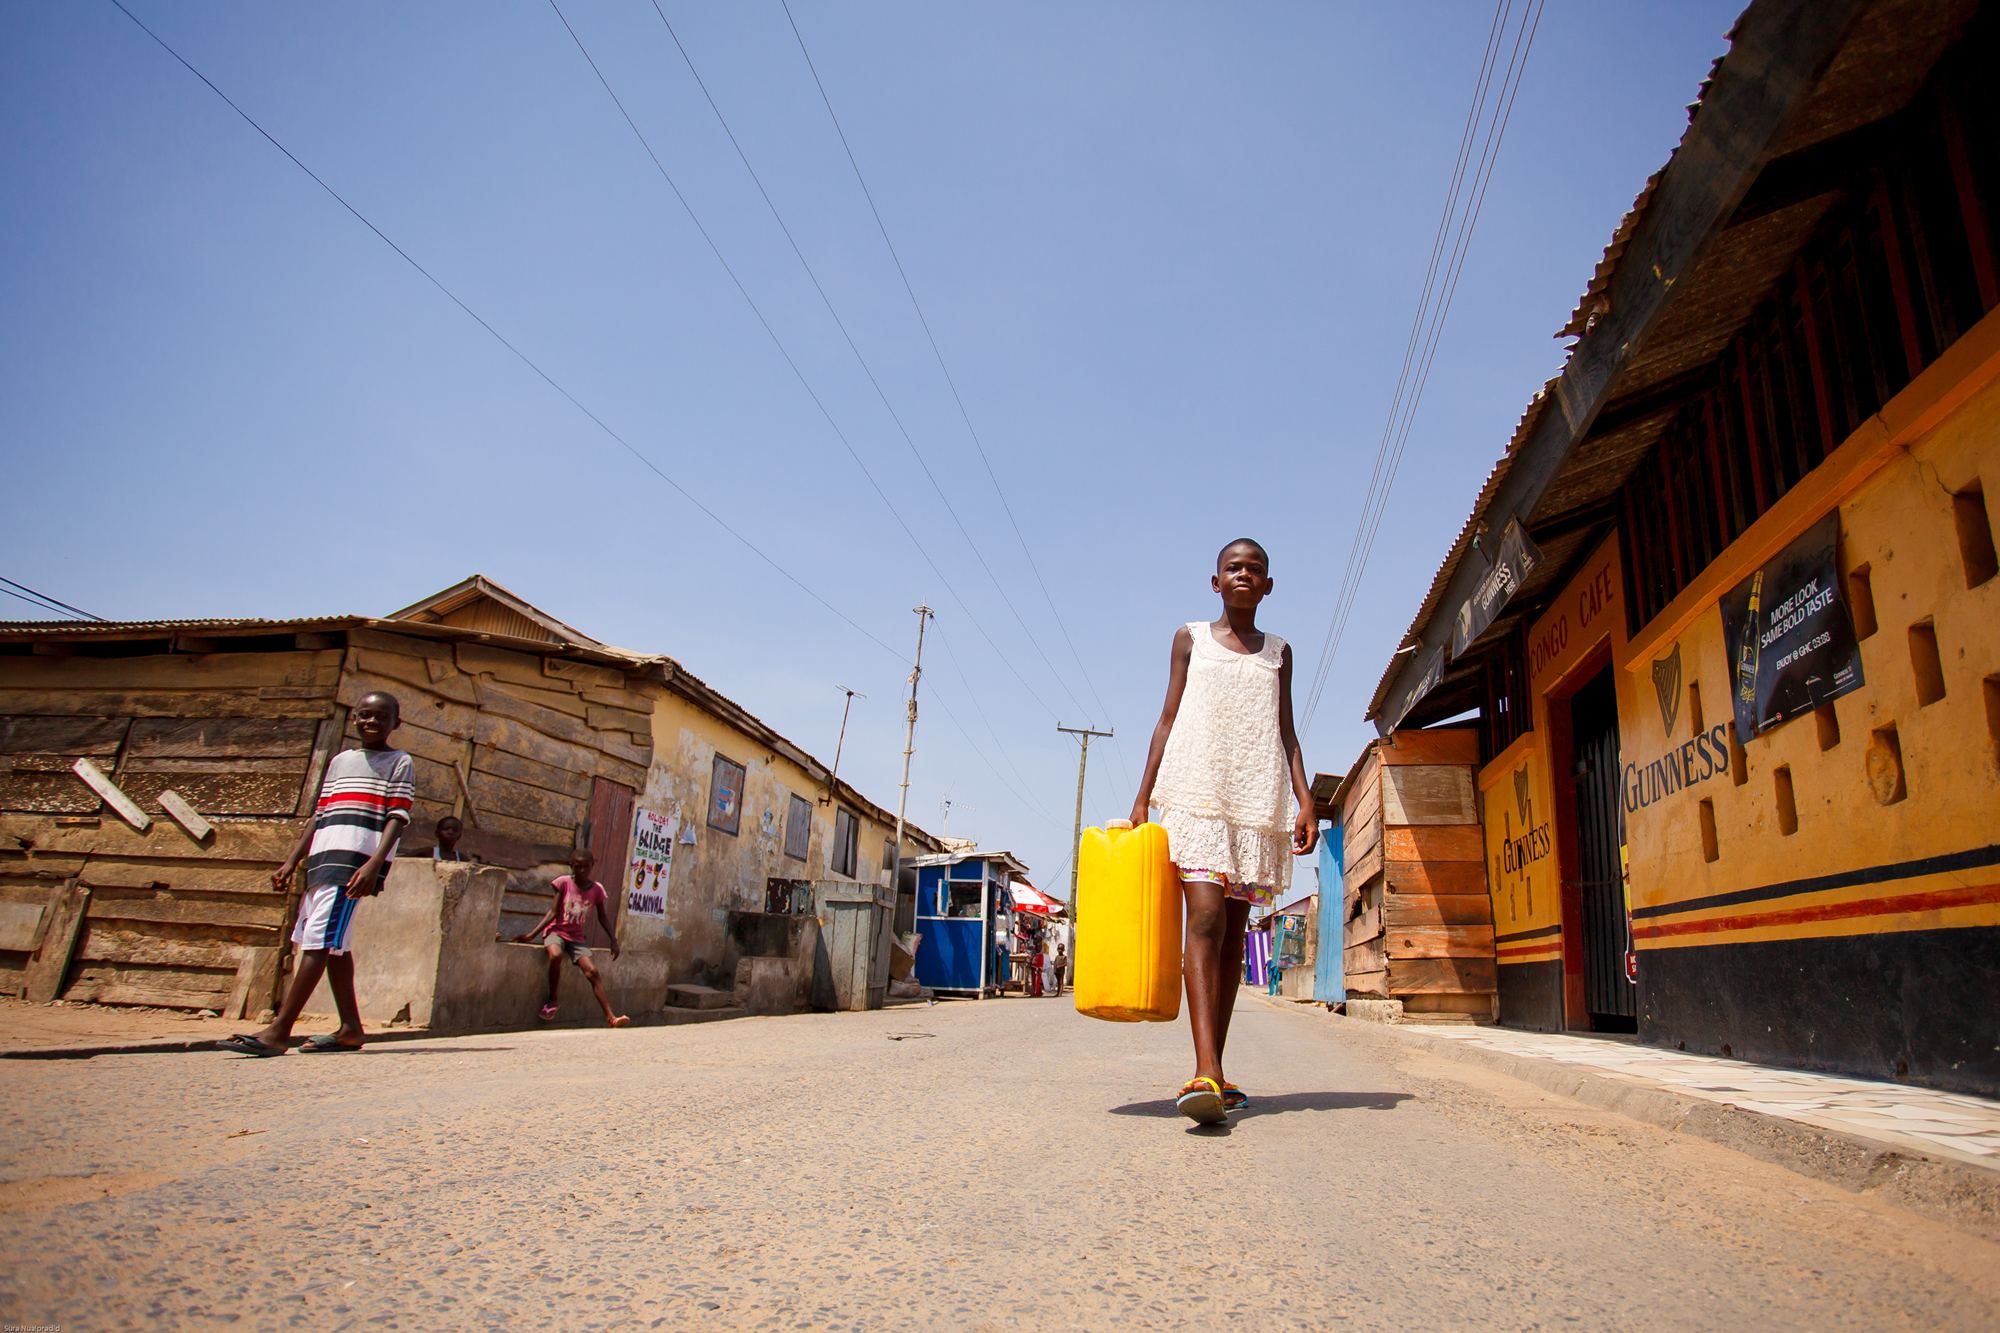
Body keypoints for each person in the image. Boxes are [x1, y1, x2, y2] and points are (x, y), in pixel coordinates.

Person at [1130, 539, 1316, 1124]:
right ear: (1216, 583)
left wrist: (1305, 800)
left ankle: (1216, 1068)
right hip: (1195, 797)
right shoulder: (1190, 639)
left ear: (1268, 585)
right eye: (1234, 568)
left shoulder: (1279, 653)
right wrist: (1142, 798)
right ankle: (1204, 1067)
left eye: (1254, 569)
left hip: (1255, 805)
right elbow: (1166, 719)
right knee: (1205, 917)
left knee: (1234, 937)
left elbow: (1286, 732)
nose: (1244, 575)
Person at [223, 691, 414, 1056]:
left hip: (354, 864)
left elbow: (398, 817)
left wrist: (373, 864)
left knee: (320, 940)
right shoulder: (341, 762)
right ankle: (350, 1029)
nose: (372, 722)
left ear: (396, 723)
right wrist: (292, 860)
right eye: (365, 715)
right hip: (323, 858)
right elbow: (320, 813)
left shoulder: (399, 761)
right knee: (334, 945)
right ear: (354, 718)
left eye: (381, 717)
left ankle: (280, 1031)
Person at [515, 849, 630, 1028]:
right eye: (577, 867)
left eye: (585, 867)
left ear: (592, 866)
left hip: (576, 938)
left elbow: (603, 917)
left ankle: (611, 1016)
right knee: (555, 955)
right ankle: (552, 1001)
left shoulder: (597, 890)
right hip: (556, 932)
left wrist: (613, 940)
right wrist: (532, 934)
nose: (581, 870)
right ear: (572, 866)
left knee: (592, 972)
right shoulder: (563, 883)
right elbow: (553, 912)